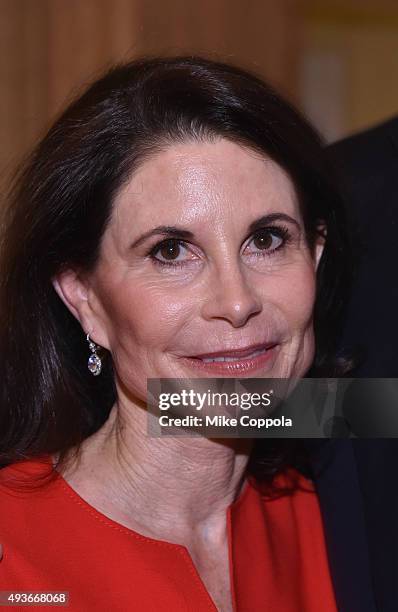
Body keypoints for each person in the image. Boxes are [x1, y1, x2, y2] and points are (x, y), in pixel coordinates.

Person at [0, 56, 355, 611]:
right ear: (84, 297)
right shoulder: (13, 549)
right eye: (170, 252)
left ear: (316, 253)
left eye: (266, 240)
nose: (237, 302)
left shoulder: (342, 512)